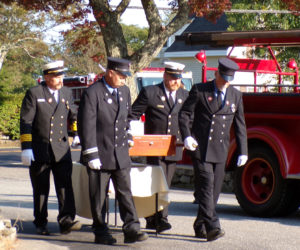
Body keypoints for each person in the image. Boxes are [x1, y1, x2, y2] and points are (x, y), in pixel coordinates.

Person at [77, 57, 148, 245]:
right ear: (110, 73)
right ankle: (100, 231)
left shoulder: (123, 91)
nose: (124, 80)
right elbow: (87, 125)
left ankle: (132, 229)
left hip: (120, 152)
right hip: (100, 153)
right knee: (99, 196)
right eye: (122, 76)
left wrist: (129, 135)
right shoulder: (93, 93)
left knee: (125, 192)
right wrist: (91, 153)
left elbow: (125, 119)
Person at [179, 58, 248, 241]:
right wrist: (186, 136)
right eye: (223, 78)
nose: (226, 82)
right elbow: (185, 114)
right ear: (217, 73)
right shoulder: (200, 90)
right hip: (201, 147)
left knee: (214, 192)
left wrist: (243, 151)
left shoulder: (235, 95)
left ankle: (200, 225)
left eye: (229, 79)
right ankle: (213, 226)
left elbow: (240, 125)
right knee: (207, 186)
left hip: (220, 149)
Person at [20, 60, 81, 235]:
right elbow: (26, 122)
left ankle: (66, 220)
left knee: (65, 186)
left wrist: (76, 133)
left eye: (61, 75)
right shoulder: (35, 93)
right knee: (41, 188)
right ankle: (40, 222)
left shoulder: (66, 92)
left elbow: (74, 114)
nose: (61, 79)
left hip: (61, 148)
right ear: (47, 77)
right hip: (40, 148)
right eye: (56, 76)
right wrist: (26, 147)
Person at [130, 61, 189, 233]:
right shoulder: (150, 92)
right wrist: (132, 134)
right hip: (153, 147)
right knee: (155, 182)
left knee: (165, 183)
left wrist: (188, 137)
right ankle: (156, 218)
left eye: (178, 79)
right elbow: (133, 114)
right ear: (165, 77)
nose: (176, 82)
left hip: (174, 147)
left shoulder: (184, 95)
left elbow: (189, 118)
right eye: (172, 78)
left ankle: (158, 217)